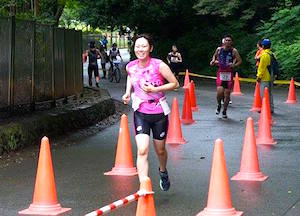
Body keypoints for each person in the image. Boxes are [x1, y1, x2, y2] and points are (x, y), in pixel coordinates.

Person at [122, 34, 179, 191]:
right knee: (142, 149)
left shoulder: (159, 65)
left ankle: (163, 171)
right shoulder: (131, 66)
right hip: (141, 112)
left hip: (159, 112)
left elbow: (175, 83)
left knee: (160, 150)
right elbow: (130, 77)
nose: (140, 49)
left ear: (150, 48)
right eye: (137, 46)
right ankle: (144, 186)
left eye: (144, 46)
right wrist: (128, 93)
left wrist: (155, 89)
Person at [210, 34, 242, 118]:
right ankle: (219, 106)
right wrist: (213, 61)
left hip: (229, 74)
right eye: (226, 40)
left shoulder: (234, 51)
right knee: (219, 92)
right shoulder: (219, 49)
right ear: (224, 41)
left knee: (227, 95)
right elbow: (214, 56)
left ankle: (224, 110)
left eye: (229, 40)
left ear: (232, 42)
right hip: (221, 72)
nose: (227, 42)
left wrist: (233, 65)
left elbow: (239, 61)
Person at [256, 38, 275, 113]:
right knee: (270, 93)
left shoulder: (264, 55)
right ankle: (271, 108)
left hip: (265, 77)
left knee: (263, 94)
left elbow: (262, 67)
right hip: (271, 76)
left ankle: (265, 109)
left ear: (263, 46)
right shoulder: (272, 54)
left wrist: (259, 77)